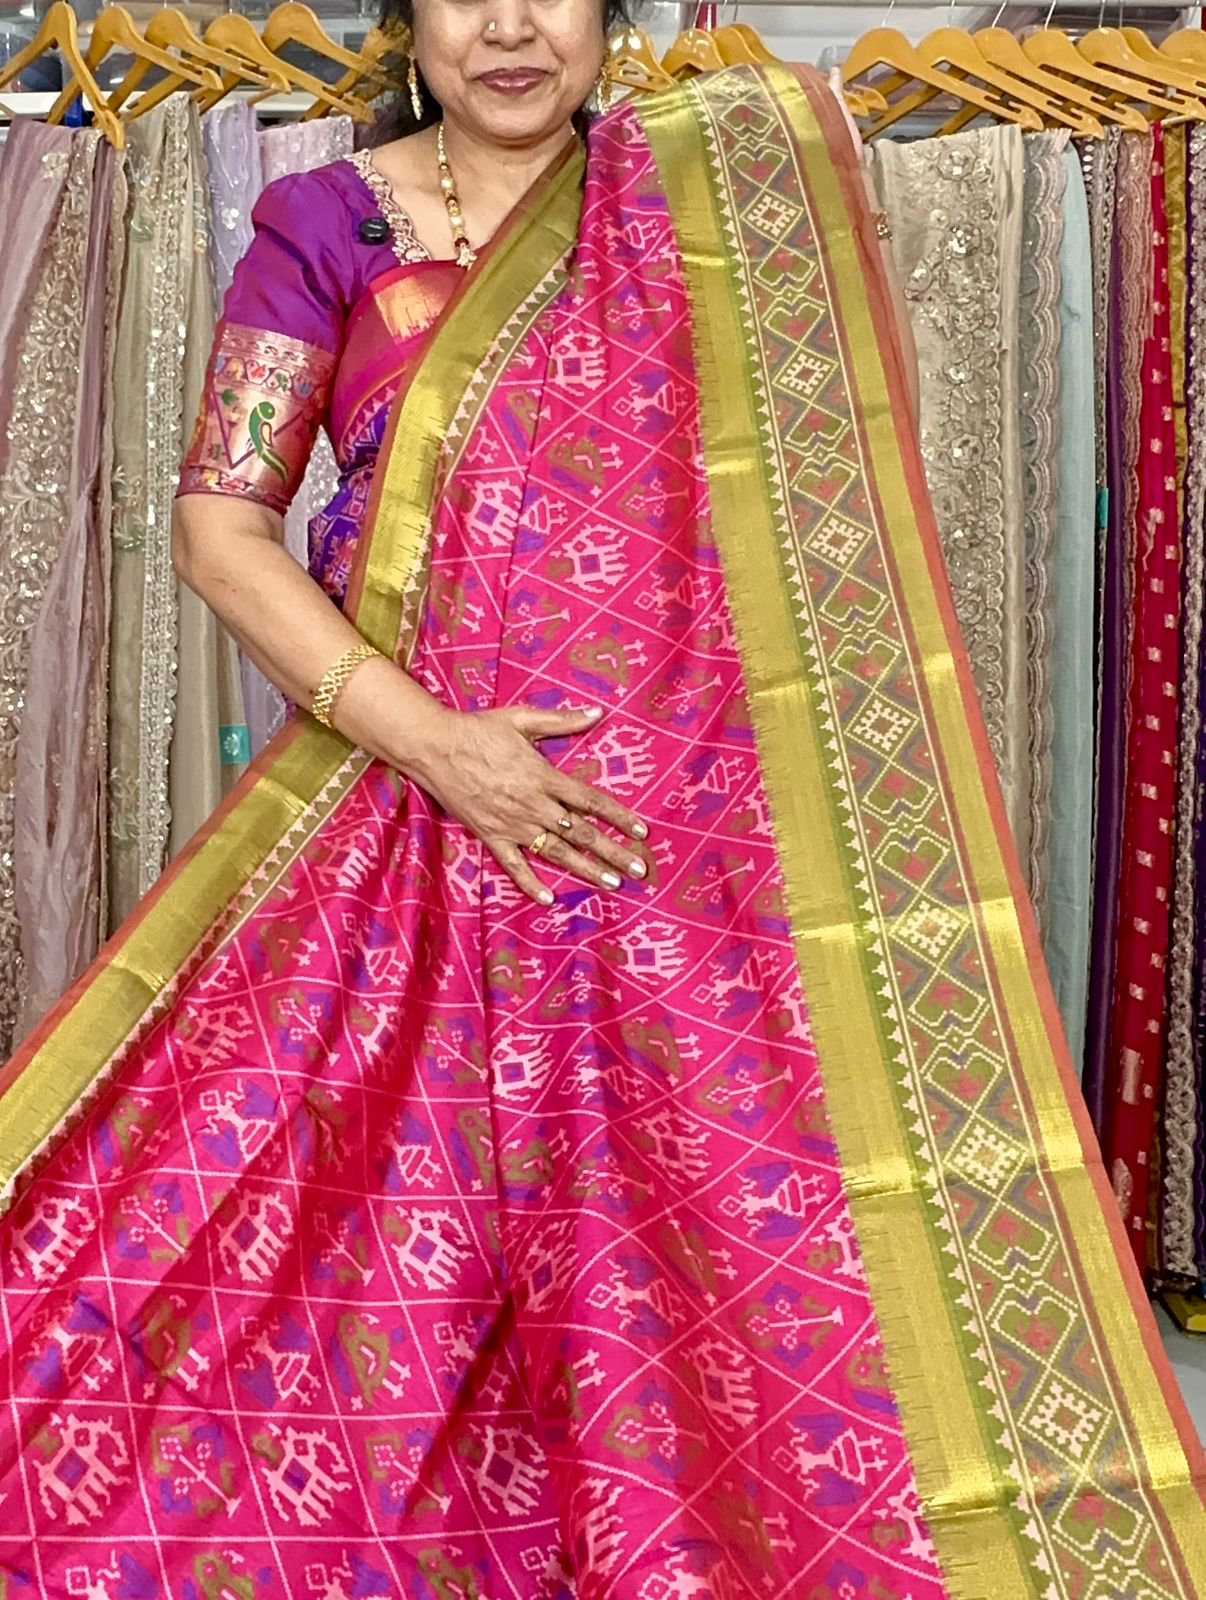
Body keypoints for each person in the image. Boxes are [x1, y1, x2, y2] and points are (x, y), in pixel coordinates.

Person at [0, 2, 1202, 1595]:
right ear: (406, 20)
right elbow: (220, 527)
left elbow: (815, 546)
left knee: (714, 1274)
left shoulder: (723, 214)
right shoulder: (327, 226)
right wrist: (443, 747)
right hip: (408, 838)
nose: (510, 27)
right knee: (316, 1274)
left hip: (678, 873)